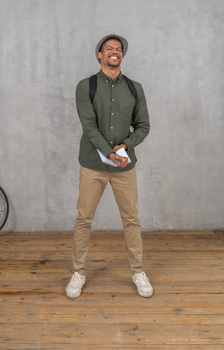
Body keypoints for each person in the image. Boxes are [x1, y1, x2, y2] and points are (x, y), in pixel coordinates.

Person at [66, 34, 153, 299]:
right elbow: (89, 126)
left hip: (124, 166)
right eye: (109, 49)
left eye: (118, 49)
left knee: (131, 219)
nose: (114, 52)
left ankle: (138, 271)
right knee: (84, 219)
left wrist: (124, 147)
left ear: (121, 56)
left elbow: (143, 126)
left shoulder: (134, 88)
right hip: (93, 164)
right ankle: (78, 272)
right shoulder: (86, 86)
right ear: (100, 55)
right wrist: (108, 151)